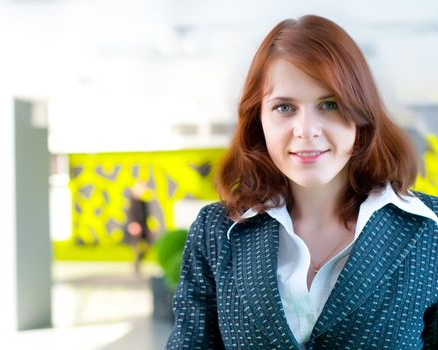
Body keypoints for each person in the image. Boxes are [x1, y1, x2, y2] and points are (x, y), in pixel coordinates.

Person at [166, 15, 438, 349]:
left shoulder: (429, 231)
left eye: (329, 104)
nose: (307, 130)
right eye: (284, 107)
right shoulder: (215, 232)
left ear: (361, 113)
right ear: (258, 121)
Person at [125, 181, 151, 276]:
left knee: (147, 246)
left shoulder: (143, 202)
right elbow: (130, 214)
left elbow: (145, 216)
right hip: (135, 227)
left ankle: (138, 264)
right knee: (136, 248)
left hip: (143, 228)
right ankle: (136, 267)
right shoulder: (132, 201)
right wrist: (133, 224)